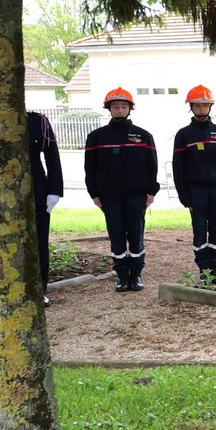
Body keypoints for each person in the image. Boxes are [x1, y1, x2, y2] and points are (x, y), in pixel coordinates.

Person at [84, 87, 159, 292]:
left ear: (130, 109)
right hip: (110, 197)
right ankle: (121, 276)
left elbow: (152, 166)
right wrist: (94, 193)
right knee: (116, 235)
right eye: (115, 106)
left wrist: (151, 191)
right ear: (109, 108)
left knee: (136, 235)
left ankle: (136, 274)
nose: (119, 110)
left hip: (136, 195)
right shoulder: (97, 137)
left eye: (123, 106)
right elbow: (90, 168)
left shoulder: (143, 136)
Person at [172, 85, 216, 284]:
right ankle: (203, 271)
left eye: (205, 105)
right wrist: (184, 196)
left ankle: (215, 270)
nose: (201, 109)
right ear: (191, 107)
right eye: (197, 105)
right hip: (195, 191)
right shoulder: (183, 135)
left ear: (210, 106)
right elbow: (178, 168)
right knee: (199, 231)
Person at [27, 111, 63, 307]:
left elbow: (51, 155)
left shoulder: (37, 121)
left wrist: (54, 190)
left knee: (39, 242)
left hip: (37, 190)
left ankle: (38, 290)